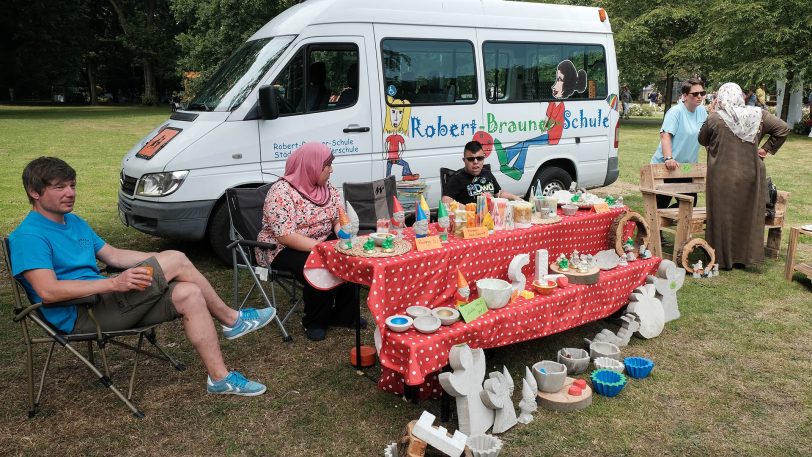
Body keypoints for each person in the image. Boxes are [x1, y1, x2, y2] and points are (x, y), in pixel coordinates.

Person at [9, 157, 273, 396]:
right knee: (177, 260)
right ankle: (231, 319)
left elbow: (113, 255)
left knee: (189, 293)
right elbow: (48, 291)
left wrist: (157, 259)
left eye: (72, 185)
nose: (70, 193)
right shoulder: (29, 236)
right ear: (34, 192)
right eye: (59, 187)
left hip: (105, 301)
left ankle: (220, 379)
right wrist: (113, 283)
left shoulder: (74, 221)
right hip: (80, 315)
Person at [255, 142, 360, 342]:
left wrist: (341, 236)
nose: (331, 170)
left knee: (349, 255)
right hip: (280, 248)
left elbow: (337, 217)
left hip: (320, 240)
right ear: (312, 166)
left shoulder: (326, 187)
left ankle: (344, 314)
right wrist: (324, 248)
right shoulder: (281, 192)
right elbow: (285, 235)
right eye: (327, 165)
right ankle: (315, 321)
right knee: (318, 265)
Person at [698, 82, 789, 270]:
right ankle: (744, 257)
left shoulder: (715, 118)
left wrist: (712, 113)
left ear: (721, 97)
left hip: (722, 174)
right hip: (751, 173)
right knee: (747, 214)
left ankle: (722, 258)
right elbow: (783, 128)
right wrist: (765, 149)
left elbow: (702, 139)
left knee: (722, 215)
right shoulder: (758, 115)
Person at [650, 78, 709, 208]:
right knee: (659, 207)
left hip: (686, 167)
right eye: (695, 94)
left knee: (689, 204)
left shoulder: (702, 112)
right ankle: (655, 227)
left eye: (702, 93)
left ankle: (672, 219)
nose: (700, 96)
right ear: (685, 96)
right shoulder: (675, 112)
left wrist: (714, 158)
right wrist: (669, 158)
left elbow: (706, 139)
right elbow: (665, 135)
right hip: (666, 166)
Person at [442, 140, 521, 205]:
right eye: (471, 159)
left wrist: (515, 198)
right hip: (471, 220)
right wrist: (465, 209)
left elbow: (499, 193)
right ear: (464, 160)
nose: (476, 162)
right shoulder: (457, 177)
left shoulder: (487, 173)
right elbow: (445, 200)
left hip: (491, 218)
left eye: (479, 158)